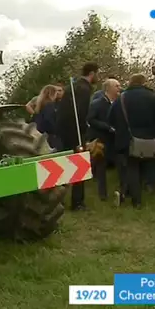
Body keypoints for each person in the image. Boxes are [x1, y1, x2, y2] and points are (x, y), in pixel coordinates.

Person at [108, 74, 155, 208]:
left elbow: (110, 118)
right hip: (149, 138)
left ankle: (136, 200)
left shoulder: (122, 98)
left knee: (131, 168)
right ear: (143, 82)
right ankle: (150, 187)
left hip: (128, 139)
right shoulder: (152, 97)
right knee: (148, 165)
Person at [56, 62, 99, 211]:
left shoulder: (72, 87)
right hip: (76, 133)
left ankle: (58, 199)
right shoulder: (84, 89)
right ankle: (77, 203)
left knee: (65, 167)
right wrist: (83, 134)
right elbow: (80, 113)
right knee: (79, 167)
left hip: (65, 131)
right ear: (92, 73)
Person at [86, 78, 121, 201]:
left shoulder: (119, 102)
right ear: (108, 88)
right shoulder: (97, 103)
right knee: (101, 167)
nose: (119, 88)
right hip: (101, 139)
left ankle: (122, 192)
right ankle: (103, 194)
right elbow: (91, 119)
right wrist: (107, 127)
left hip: (116, 139)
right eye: (116, 86)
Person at [33, 85, 62, 149]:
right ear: (51, 94)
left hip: (41, 137)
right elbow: (49, 121)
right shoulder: (49, 106)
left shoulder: (39, 106)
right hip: (51, 138)